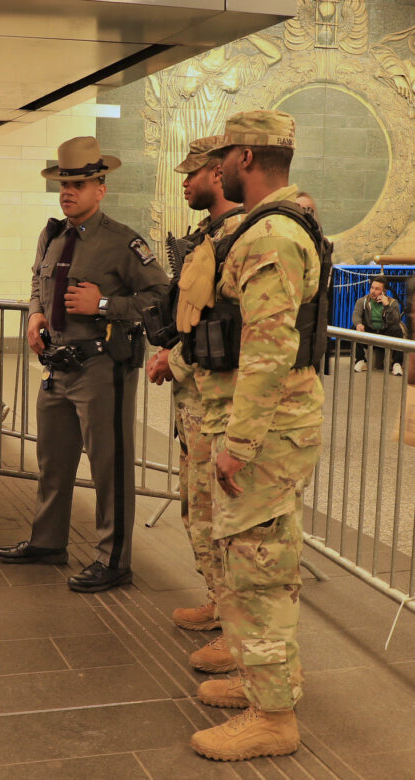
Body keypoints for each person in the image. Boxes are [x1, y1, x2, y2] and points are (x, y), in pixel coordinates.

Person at [182, 110, 325, 761]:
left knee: (258, 569)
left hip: (265, 436)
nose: (218, 169)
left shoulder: (270, 233)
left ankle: (273, 717)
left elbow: (268, 346)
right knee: (262, 563)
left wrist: (236, 444)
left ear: (243, 157)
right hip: (272, 427)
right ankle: (267, 680)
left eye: (225, 158)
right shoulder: (281, 224)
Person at [0, 137, 169, 592]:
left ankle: (114, 559)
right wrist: (35, 313)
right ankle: (48, 541)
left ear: (101, 188)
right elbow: (37, 280)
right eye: (63, 183)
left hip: (100, 368)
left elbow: (160, 297)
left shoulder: (122, 242)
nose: (67, 191)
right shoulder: (52, 235)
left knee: (109, 466)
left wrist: (106, 303)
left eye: (78, 183)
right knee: (53, 461)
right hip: (56, 368)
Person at [146, 134, 244, 677]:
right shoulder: (206, 236)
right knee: (195, 509)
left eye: (192, 174)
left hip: (217, 402)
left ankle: (238, 631)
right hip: (196, 404)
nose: (185, 182)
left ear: (218, 172)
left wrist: (171, 362)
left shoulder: (240, 239)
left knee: (219, 517)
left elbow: (225, 332)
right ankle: (219, 600)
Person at [351, 277, 404, 374]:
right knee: (354, 328)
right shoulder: (362, 301)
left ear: (384, 291)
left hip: (385, 334)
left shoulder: (392, 302)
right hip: (370, 333)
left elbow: (395, 321)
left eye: (377, 289)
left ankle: (397, 363)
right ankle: (360, 360)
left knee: (397, 329)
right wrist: (358, 324)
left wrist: (387, 306)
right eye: (372, 288)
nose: (373, 291)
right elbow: (356, 315)